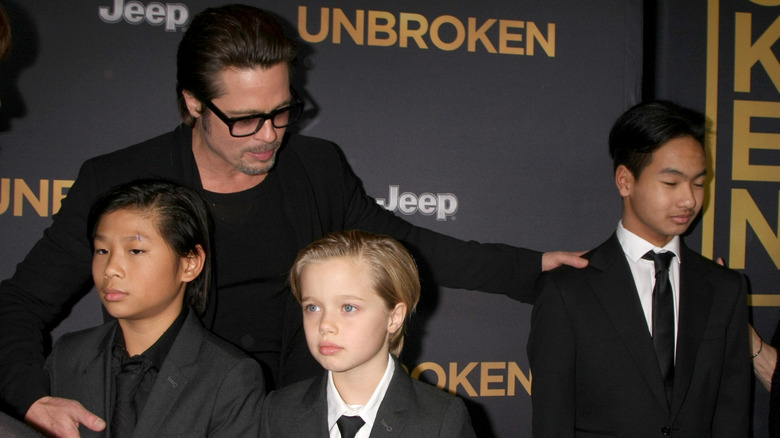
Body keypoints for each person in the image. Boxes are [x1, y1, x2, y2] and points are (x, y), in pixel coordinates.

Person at [0, 4, 584, 434]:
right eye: (246, 120)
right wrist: (31, 398)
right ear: (194, 104)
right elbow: (19, 306)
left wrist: (529, 267)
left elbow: (402, 242)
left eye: (283, 111)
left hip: (290, 418)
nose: (271, 135)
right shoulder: (118, 181)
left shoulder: (316, 168)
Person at [527, 100, 751, 436]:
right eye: (672, 183)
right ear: (625, 181)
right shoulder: (567, 290)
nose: (689, 200)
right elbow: (551, 422)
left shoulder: (725, 288)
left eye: (699, 183)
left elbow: (732, 417)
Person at [32, 180, 265, 437]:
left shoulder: (228, 376)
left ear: (190, 263)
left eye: (135, 250)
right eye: (102, 250)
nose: (110, 268)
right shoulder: (70, 355)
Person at [261, 230, 476, 438]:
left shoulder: (440, 420)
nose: (325, 325)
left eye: (348, 308)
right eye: (313, 307)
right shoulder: (278, 411)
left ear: (394, 317)